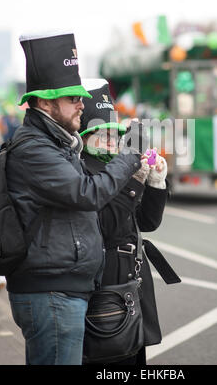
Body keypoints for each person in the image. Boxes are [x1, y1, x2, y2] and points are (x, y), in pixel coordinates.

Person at [5, 31, 146, 365]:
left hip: (61, 289)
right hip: (50, 292)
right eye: (72, 98)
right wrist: (130, 157)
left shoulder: (55, 143)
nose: (82, 104)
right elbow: (88, 194)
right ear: (44, 102)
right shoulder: (35, 149)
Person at [80, 79, 180, 365]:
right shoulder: (83, 171)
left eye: (115, 132)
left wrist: (156, 181)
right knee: (110, 357)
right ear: (84, 137)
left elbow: (146, 222)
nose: (112, 139)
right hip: (106, 285)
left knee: (134, 355)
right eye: (102, 132)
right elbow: (108, 227)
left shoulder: (119, 164)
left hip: (132, 280)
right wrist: (135, 181)